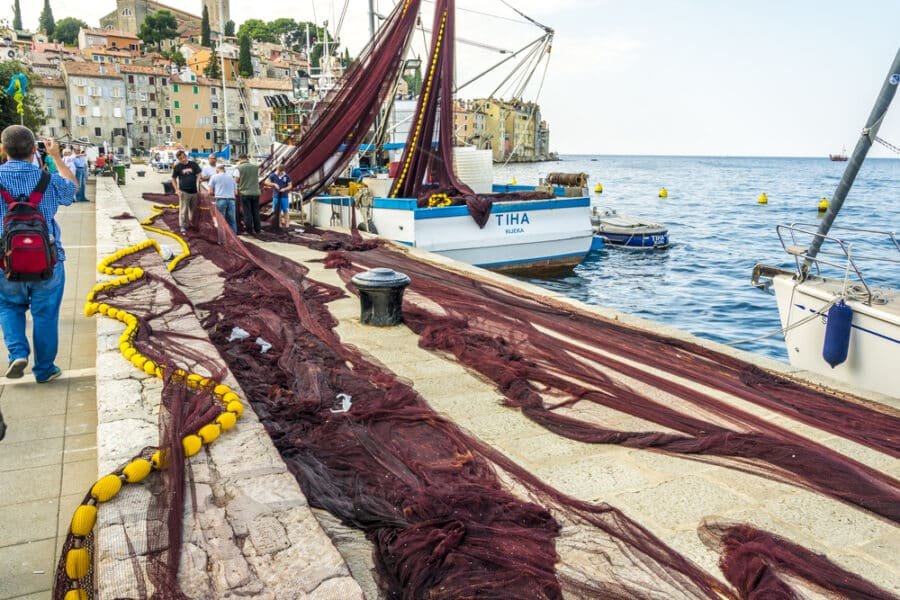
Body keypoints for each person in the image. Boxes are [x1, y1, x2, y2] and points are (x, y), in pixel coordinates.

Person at [0, 126, 77, 384]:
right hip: (48, 260)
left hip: (5, 260)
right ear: (35, 150)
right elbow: (72, 189)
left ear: (3, 149)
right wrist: (56, 157)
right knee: (45, 315)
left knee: (9, 306)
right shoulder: (47, 179)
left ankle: (17, 353)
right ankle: (44, 369)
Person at [171, 150, 202, 234]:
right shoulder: (177, 167)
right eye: (180, 158)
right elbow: (173, 179)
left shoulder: (193, 164)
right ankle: (182, 226)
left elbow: (199, 174)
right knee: (183, 210)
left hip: (194, 192)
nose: (183, 159)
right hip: (184, 192)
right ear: (178, 159)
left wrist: (198, 185)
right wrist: (177, 190)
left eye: (184, 157)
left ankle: (192, 224)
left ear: (186, 155)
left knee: (193, 210)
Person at [234, 154, 261, 235]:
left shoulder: (238, 168)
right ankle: (258, 229)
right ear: (247, 158)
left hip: (245, 192)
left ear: (240, 159)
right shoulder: (255, 167)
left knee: (247, 212)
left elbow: (236, 181)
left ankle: (249, 230)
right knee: (255, 211)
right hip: (256, 192)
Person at [209, 164, 238, 234]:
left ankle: (222, 239)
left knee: (221, 220)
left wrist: (213, 195)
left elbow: (210, 191)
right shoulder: (231, 177)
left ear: (217, 169)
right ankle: (234, 239)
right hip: (231, 200)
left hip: (220, 199)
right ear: (224, 169)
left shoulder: (214, 177)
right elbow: (236, 192)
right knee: (232, 220)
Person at [264, 163, 293, 231]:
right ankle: (279, 224)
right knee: (277, 211)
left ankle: (287, 225)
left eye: (281, 171)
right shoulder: (273, 175)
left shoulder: (287, 176)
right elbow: (266, 182)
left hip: (284, 196)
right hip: (276, 196)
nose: (280, 173)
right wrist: (274, 184)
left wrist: (285, 189)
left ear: (283, 170)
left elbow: (290, 185)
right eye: (279, 171)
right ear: (277, 169)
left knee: (286, 210)